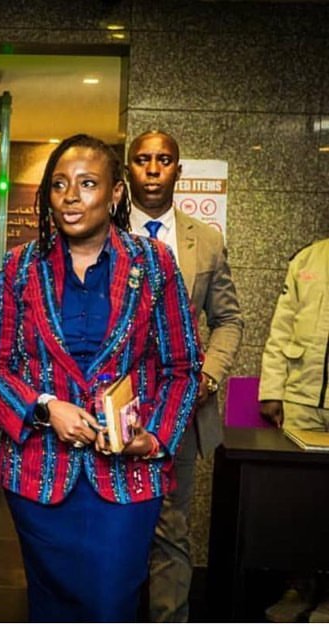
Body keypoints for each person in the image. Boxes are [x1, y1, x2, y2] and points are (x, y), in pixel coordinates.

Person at [0, 133, 202, 622]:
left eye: (87, 184)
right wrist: (44, 408)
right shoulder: (20, 267)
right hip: (39, 477)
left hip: (126, 480)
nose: (70, 197)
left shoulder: (153, 264)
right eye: (59, 185)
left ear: (116, 193)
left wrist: (154, 438)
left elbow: (181, 367)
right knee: (50, 607)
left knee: (110, 604)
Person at [126, 130, 244, 622]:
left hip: (181, 410)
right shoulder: (101, 230)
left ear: (179, 170)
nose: (153, 169)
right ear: (127, 169)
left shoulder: (206, 241)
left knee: (172, 530)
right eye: (142, 159)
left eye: (164, 160)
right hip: (114, 408)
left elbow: (229, 320)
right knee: (115, 528)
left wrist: (208, 379)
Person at [258, 236, 329, 622]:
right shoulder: (308, 258)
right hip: (302, 400)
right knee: (299, 502)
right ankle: (299, 585)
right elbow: (282, 328)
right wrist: (272, 390)